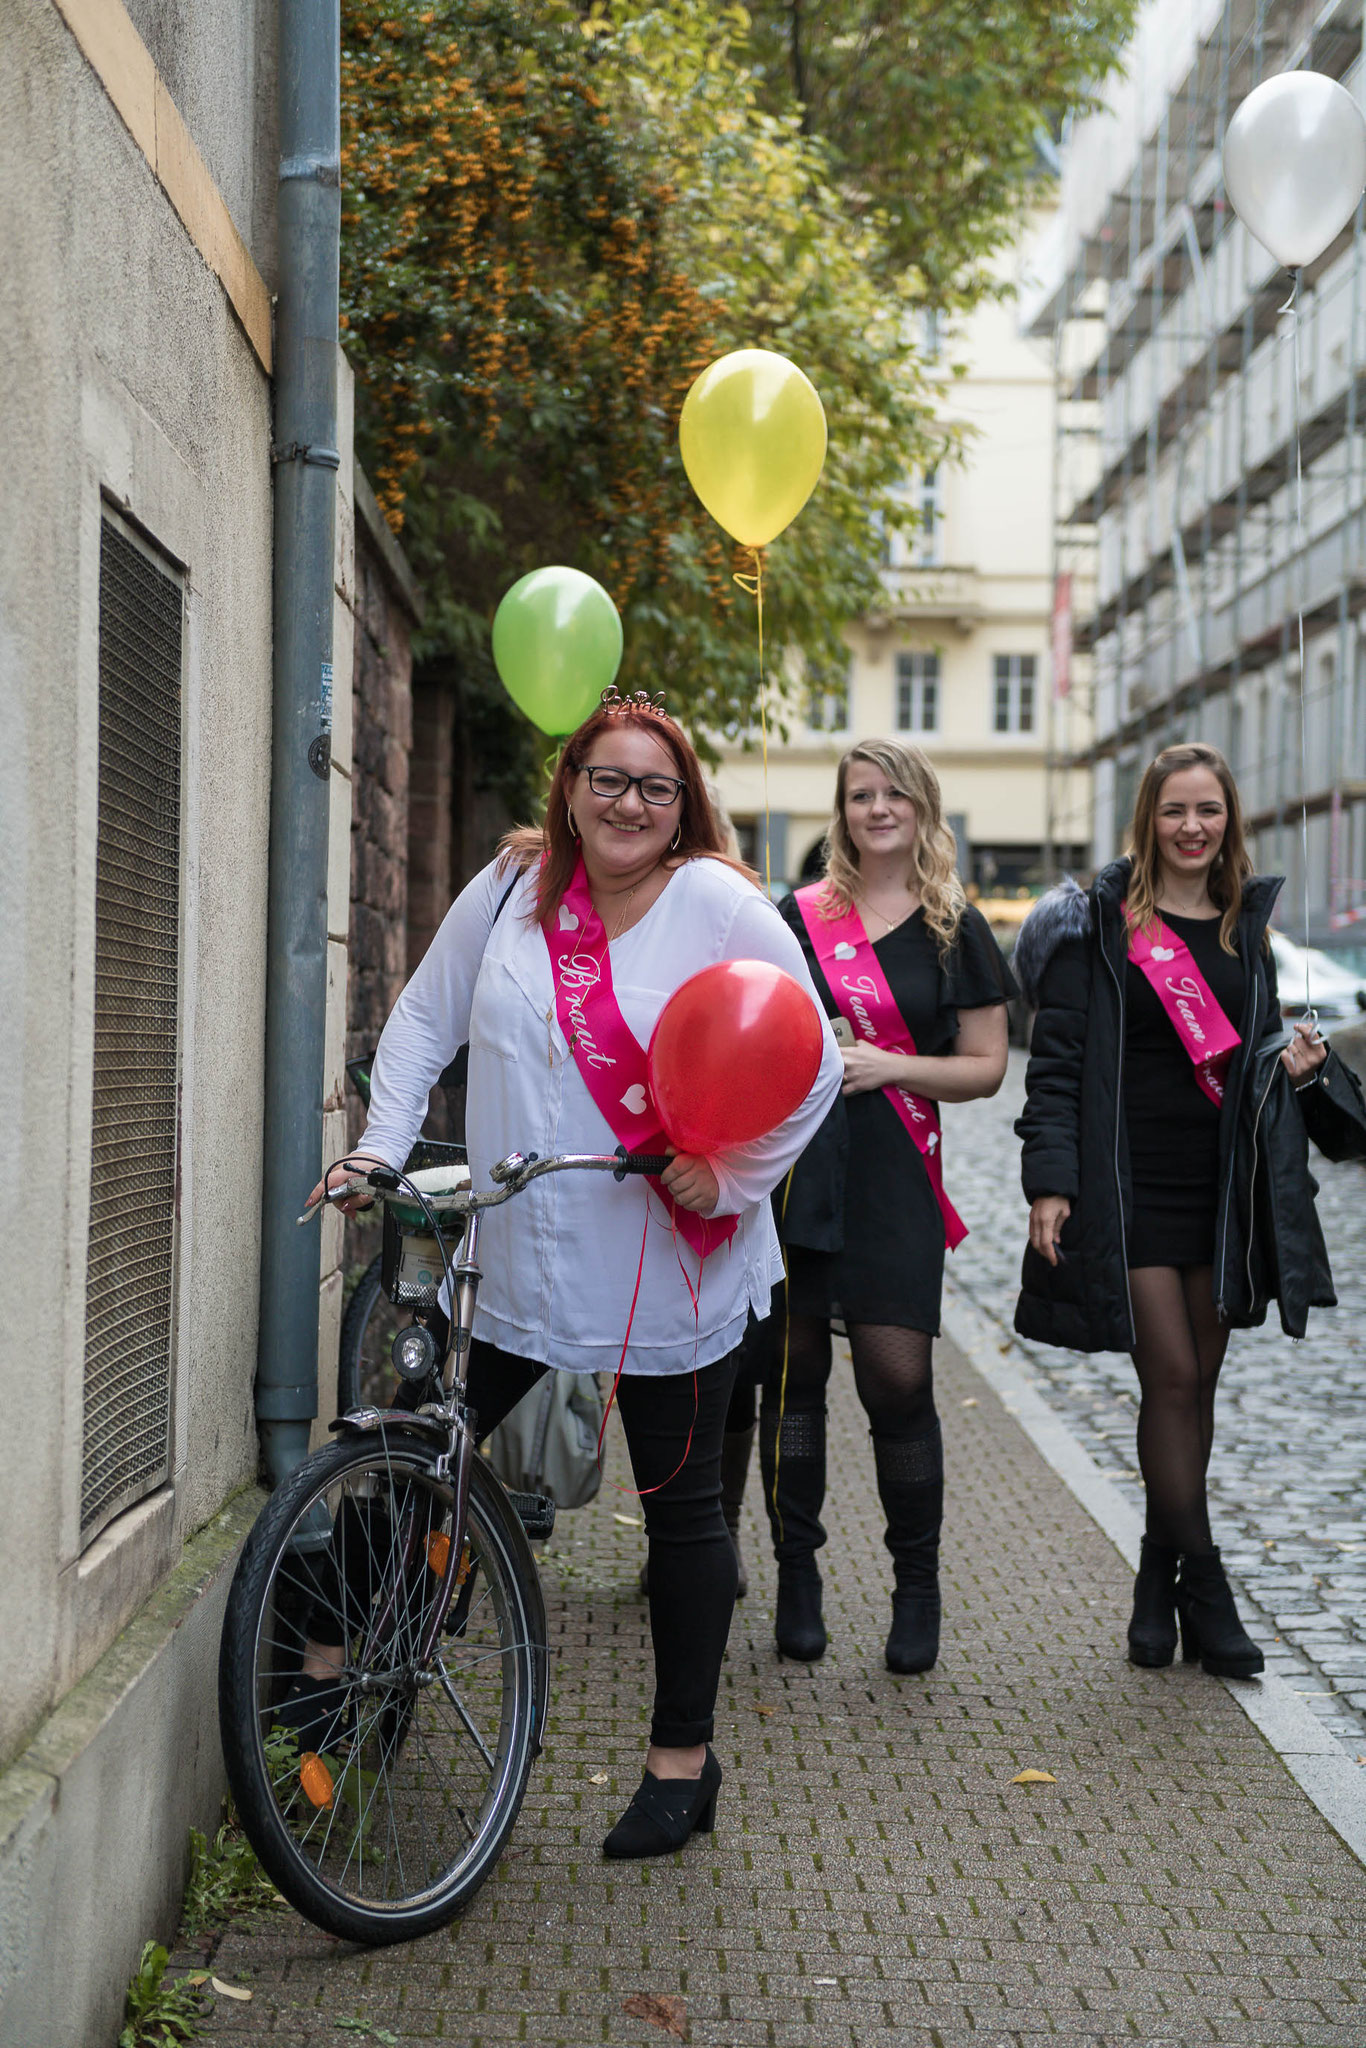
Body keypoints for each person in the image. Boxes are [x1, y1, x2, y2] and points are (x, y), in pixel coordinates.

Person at [306, 688, 843, 1859]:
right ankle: (336, 1664)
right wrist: (378, 1148)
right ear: (571, 786)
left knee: (681, 1511)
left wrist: (737, 1171)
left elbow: (816, 1053)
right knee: (414, 1459)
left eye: (655, 785)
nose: (629, 803)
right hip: (522, 1248)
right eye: (609, 778)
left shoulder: (715, 902)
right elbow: (419, 1023)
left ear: (682, 801)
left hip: (668, 1256)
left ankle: (679, 1763)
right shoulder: (509, 888)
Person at [1013, 742, 1332, 1677]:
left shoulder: (1245, 931)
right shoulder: (1102, 929)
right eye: (1174, 811)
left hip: (1219, 1194)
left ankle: (1157, 1582)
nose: (1193, 828)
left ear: (1230, 819)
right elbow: (1058, 1066)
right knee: (1175, 1379)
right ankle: (1208, 1585)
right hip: (1129, 1187)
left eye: (1209, 810)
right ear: (1147, 819)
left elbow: (1247, 1066)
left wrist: (1288, 1065)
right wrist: (1050, 1179)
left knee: (1198, 1389)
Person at [757, 738, 1015, 1674]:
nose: (876, 809)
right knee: (792, 1383)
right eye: (860, 795)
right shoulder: (796, 919)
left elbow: (986, 1068)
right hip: (799, 1171)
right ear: (842, 812)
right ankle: (797, 1574)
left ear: (921, 807)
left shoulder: (956, 929)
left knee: (897, 1381)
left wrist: (888, 1065)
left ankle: (918, 1586)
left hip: (899, 1176)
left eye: (892, 794)